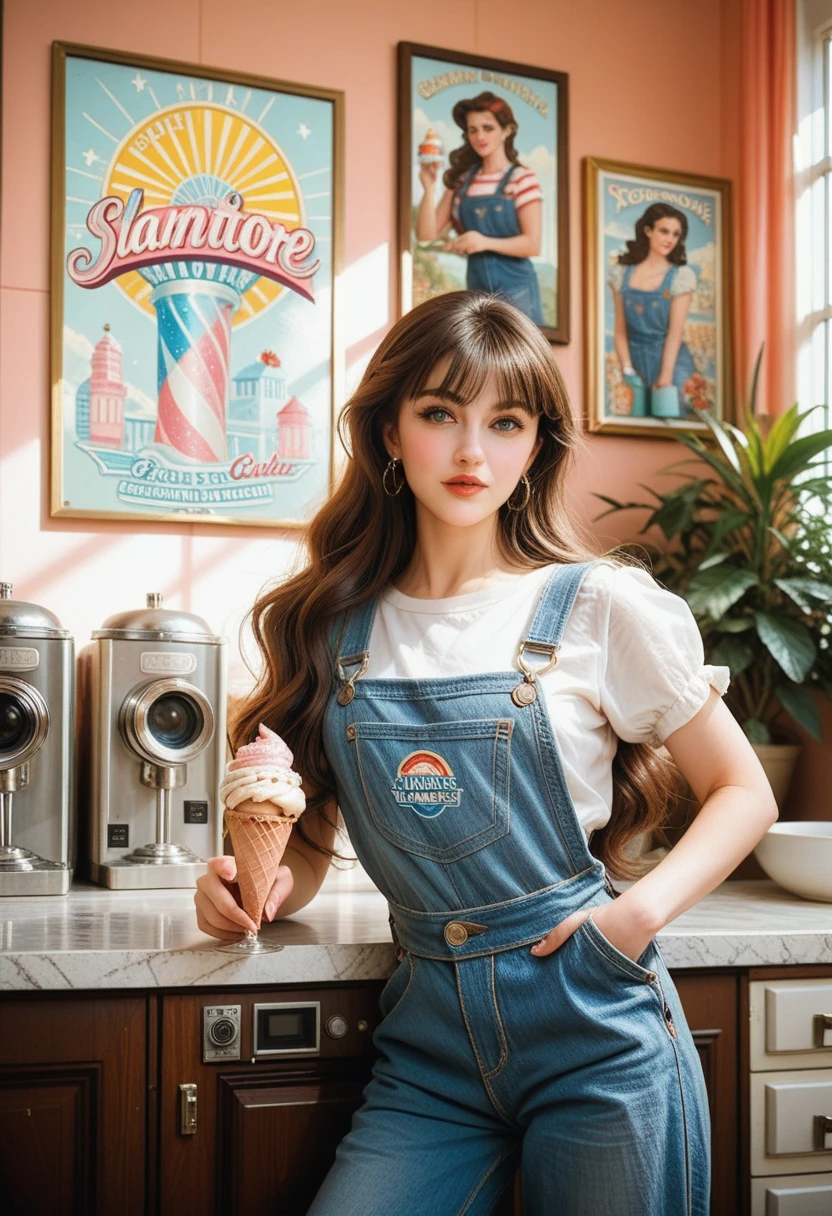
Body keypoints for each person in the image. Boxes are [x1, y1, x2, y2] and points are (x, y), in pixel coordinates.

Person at [195, 291, 778, 1215]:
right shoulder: (329, 625)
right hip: (428, 1053)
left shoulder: (598, 606)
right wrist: (256, 888)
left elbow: (743, 792)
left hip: (597, 1030)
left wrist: (633, 920)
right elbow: (311, 844)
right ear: (388, 431)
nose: (473, 453)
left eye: (505, 423)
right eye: (439, 414)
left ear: (535, 444)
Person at [415, 92, 544, 325]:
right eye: (473, 130)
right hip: (477, 295)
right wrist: (428, 187)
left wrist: (482, 242)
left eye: (488, 128)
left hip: (519, 293)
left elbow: (532, 244)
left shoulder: (522, 178)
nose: (480, 136)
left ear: (507, 130)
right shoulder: (463, 181)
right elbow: (426, 235)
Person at [608, 202, 698, 414]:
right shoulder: (621, 275)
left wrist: (666, 377)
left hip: (671, 363)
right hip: (635, 362)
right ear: (648, 231)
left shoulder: (680, 277)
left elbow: (675, 334)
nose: (670, 239)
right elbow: (620, 329)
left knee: (669, 422)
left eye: (676, 234)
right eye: (664, 231)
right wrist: (627, 369)